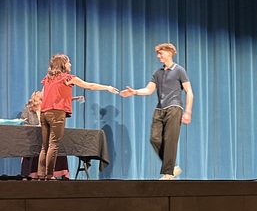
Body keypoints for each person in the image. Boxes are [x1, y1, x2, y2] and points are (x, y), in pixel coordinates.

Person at [38, 54, 118, 180]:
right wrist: (107, 87)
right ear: (63, 65)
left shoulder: (48, 79)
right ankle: (49, 175)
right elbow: (89, 86)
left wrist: (72, 98)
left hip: (44, 113)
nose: (70, 64)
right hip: (56, 114)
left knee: (44, 146)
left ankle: (41, 174)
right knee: (53, 145)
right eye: (68, 62)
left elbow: (43, 96)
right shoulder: (68, 77)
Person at [120, 43, 193, 179]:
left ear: (169, 53)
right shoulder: (158, 73)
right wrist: (134, 92)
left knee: (170, 140)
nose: (158, 56)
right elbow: (148, 90)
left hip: (174, 107)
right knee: (154, 138)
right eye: (158, 54)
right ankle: (172, 166)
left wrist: (188, 112)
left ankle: (168, 172)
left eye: (161, 53)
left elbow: (189, 92)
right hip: (160, 109)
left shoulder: (179, 70)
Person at [21, 90, 70, 179]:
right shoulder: (28, 108)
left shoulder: (49, 109)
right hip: (33, 137)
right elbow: (23, 122)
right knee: (38, 148)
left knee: (58, 146)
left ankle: (57, 173)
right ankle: (35, 173)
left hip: (47, 134)